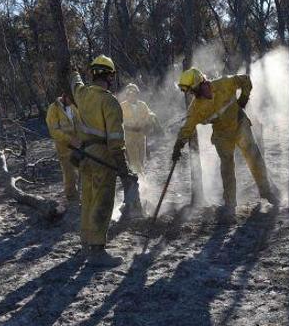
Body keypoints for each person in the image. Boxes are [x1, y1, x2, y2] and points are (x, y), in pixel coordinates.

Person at [172, 68, 280, 221]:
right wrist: (178, 145)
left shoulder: (224, 83)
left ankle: (267, 192)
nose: (192, 94)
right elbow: (187, 127)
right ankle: (230, 204)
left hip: (239, 124)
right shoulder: (196, 107)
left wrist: (244, 98)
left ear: (199, 82)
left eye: (192, 90)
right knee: (227, 167)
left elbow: (245, 80)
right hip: (222, 134)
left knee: (254, 159)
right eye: (189, 92)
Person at [70, 55, 140, 267]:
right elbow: (116, 141)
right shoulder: (109, 102)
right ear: (110, 76)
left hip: (84, 155)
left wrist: (72, 69)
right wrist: (124, 170)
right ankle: (98, 250)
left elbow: (75, 82)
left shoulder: (81, 94)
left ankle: (85, 243)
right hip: (102, 155)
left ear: (92, 74)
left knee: (88, 199)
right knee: (102, 200)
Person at [45, 93, 80, 201]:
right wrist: (70, 140)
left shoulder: (73, 107)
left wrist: (81, 139)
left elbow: (79, 124)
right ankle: (71, 197)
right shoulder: (53, 109)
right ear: (65, 96)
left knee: (83, 170)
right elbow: (54, 131)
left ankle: (82, 193)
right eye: (71, 100)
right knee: (69, 174)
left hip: (78, 145)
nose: (72, 103)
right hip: (64, 148)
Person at [120, 83, 159, 175]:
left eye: (134, 93)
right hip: (129, 137)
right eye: (130, 94)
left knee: (141, 161)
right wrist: (130, 125)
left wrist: (151, 119)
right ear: (127, 95)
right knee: (134, 162)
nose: (132, 96)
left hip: (141, 137)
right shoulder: (122, 106)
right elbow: (119, 120)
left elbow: (150, 114)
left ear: (137, 94)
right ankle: (139, 183)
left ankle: (140, 181)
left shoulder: (142, 105)